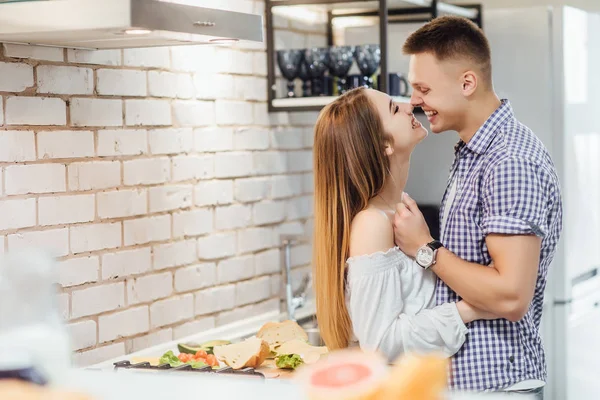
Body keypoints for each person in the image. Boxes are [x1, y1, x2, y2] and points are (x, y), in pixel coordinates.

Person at [393, 16, 563, 398]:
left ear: (467, 83)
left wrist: (426, 248)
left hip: (496, 388)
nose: (415, 101)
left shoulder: (509, 161)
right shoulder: (475, 154)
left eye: (423, 88)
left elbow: (510, 296)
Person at [312, 87, 495, 362]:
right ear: (383, 145)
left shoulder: (401, 210)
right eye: (394, 109)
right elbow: (381, 345)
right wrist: (469, 310)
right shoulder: (372, 224)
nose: (409, 106)